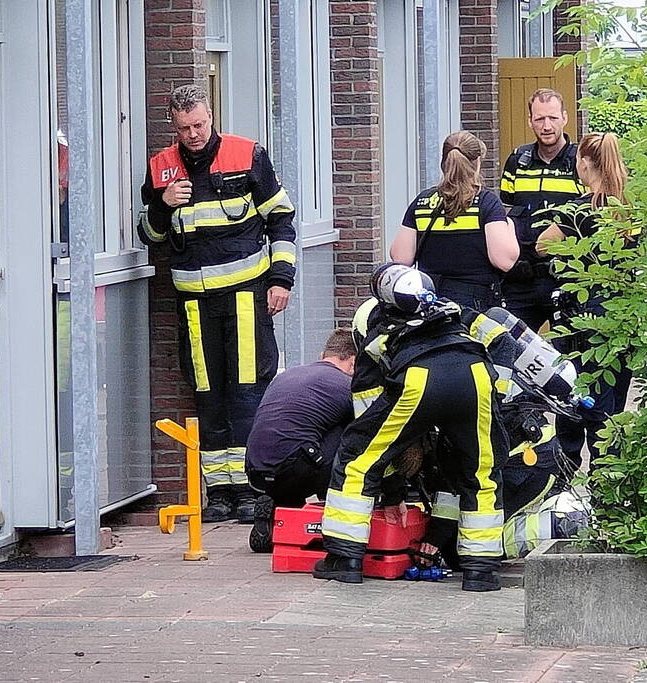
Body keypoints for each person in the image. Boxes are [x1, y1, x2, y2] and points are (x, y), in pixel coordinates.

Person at [137, 84, 296, 523]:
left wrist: (282, 280)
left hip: (246, 296)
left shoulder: (247, 155)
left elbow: (282, 219)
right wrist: (161, 208)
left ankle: (250, 490)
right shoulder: (161, 168)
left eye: (200, 124)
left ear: (212, 116)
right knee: (207, 396)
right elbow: (148, 237)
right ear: (174, 123)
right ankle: (219, 493)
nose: (193, 134)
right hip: (193, 303)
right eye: (185, 127)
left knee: (246, 394)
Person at [313, 264, 509, 592]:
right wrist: (496, 396)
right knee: (482, 472)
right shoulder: (456, 309)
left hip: (420, 380)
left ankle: (345, 559)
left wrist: (390, 488)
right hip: (476, 378)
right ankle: (481, 570)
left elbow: (367, 400)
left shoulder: (376, 325)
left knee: (358, 461)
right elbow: (502, 341)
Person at [536, 132, 635, 476]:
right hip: (623, 318)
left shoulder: (579, 211)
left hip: (581, 319)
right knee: (611, 407)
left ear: (584, 162)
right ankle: (608, 485)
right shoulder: (629, 211)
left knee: (574, 401)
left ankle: (565, 482)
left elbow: (542, 246)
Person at [244, 330, 356, 553]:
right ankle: (330, 511)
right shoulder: (345, 384)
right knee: (351, 428)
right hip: (297, 467)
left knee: (306, 432)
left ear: (323, 354)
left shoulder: (287, 375)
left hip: (255, 470)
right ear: (353, 362)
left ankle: (278, 510)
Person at [390, 131, 518, 311]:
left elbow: (401, 258)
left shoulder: (423, 202)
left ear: (444, 163)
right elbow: (505, 260)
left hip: (430, 302)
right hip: (474, 305)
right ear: (477, 163)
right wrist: (510, 227)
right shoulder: (486, 202)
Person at [500, 89, 585, 330]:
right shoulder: (518, 160)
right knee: (510, 348)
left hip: (567, 277)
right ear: (530, 121)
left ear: (565, 118)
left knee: (570, 353)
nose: (546, 126)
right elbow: (505, 213)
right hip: (521, 280)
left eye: (553, 118)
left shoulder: (581, 162)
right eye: (539, 119)